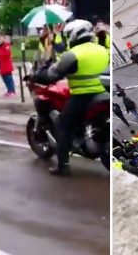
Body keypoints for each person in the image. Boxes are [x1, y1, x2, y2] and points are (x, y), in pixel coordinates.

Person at [29, 19, 109, 175]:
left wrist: (37, 77)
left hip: (82, 96)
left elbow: (52, 75)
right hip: (103, 94)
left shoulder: (73, 54)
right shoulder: (101, 50)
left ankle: (63, 165)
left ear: (74, 35)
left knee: (63, 126)